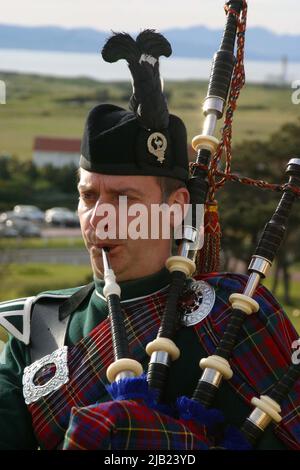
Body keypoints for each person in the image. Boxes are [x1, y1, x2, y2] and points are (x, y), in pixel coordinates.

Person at [0, 30, 299, 450]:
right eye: (89, 196)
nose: (99, 215)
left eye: (124, 198)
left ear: (176, 206)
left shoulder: (236, 320)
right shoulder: (36, 329)